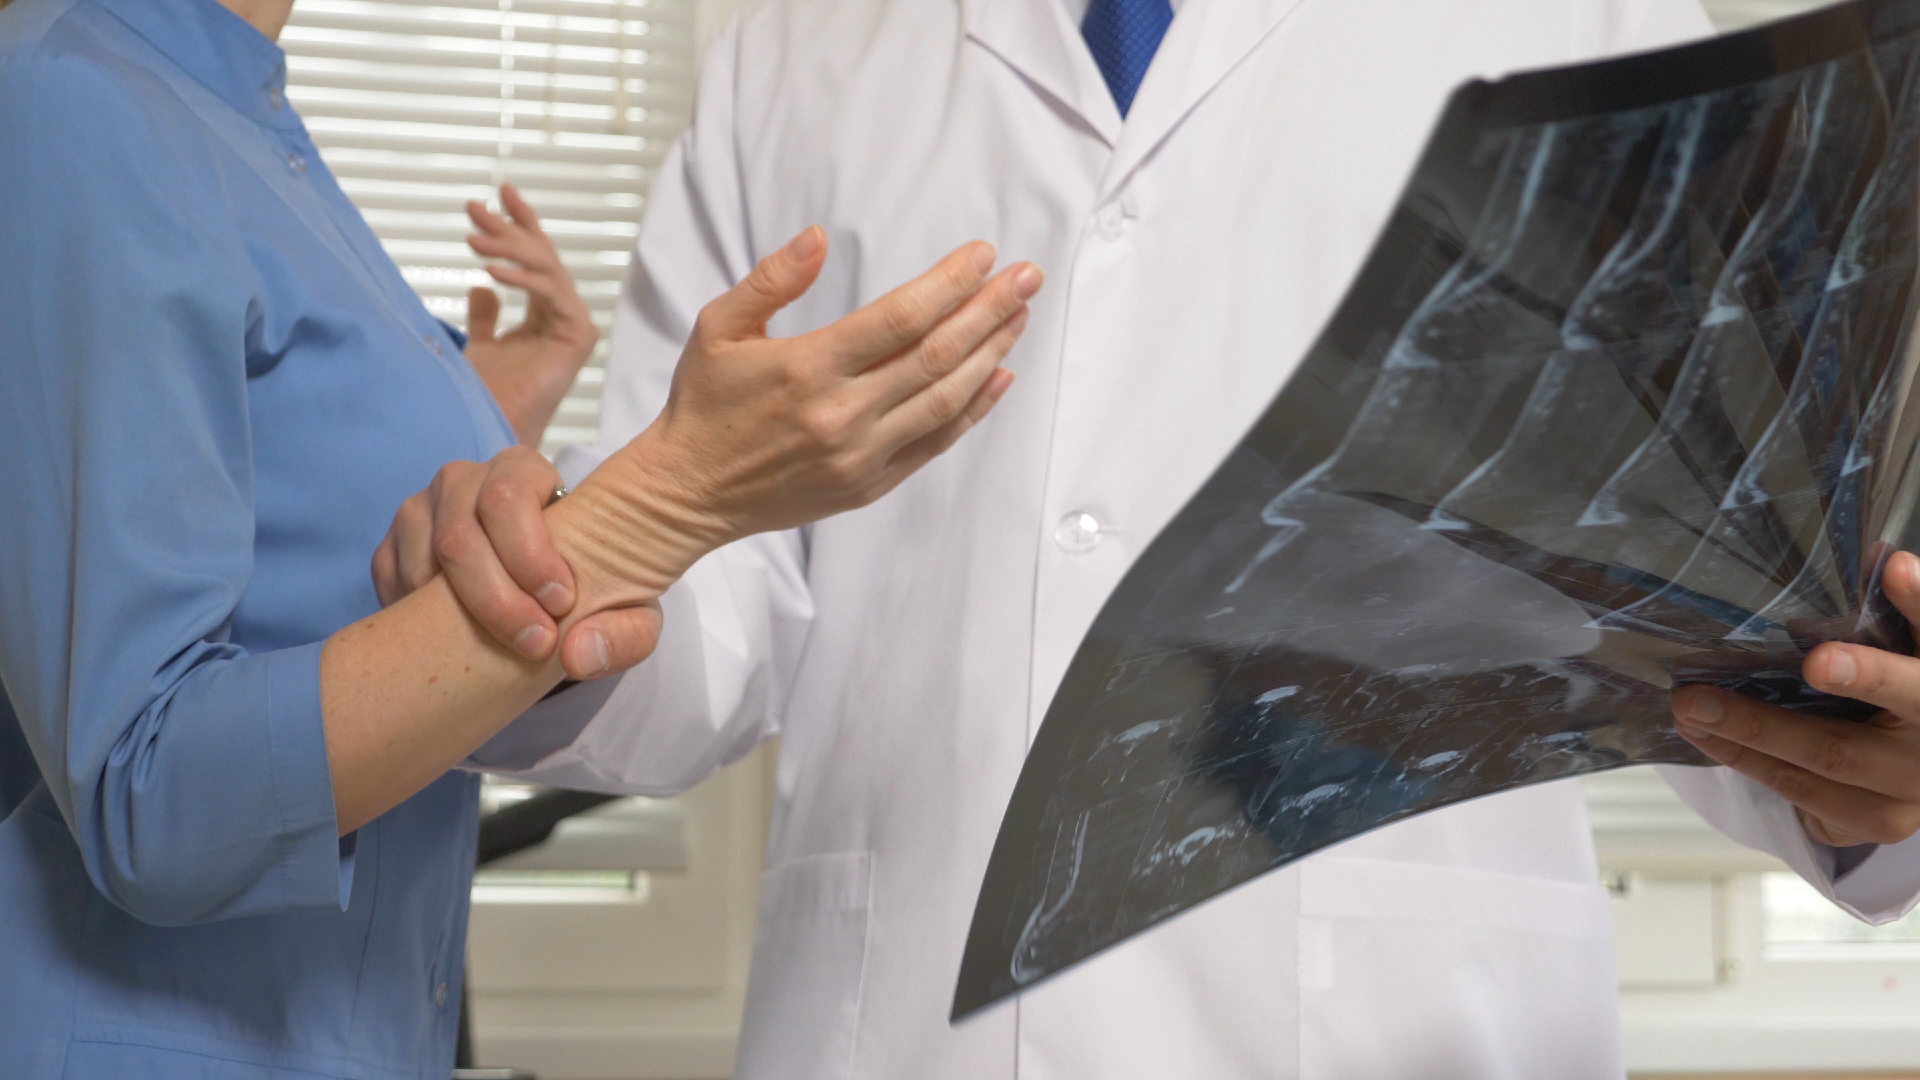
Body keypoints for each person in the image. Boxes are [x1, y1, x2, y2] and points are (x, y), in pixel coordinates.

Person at [385, 0, 1920, 1077]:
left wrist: (1867, 751)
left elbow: (1731, 592)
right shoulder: (800, 49)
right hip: (915, 1025)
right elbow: (708, 615)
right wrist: (553, 588)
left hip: (1398, 1018)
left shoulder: (1586, 21)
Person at [0, 0, 1041, 1075]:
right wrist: (669, 497)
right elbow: (147, 787)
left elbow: (276, 553)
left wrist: (478, 447)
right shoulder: (75, 99)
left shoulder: (234, 120)